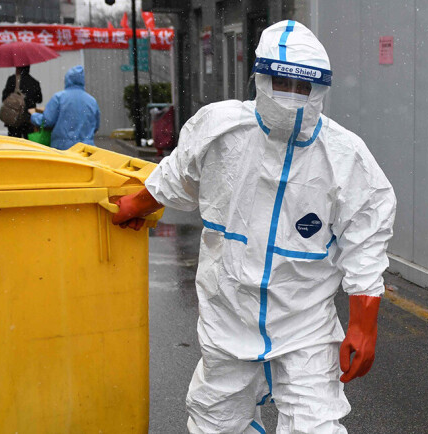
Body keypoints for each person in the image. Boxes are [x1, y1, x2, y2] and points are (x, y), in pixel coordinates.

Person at [113, 20, 396, 433]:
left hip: (305, 327)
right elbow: (175, 177)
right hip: (227, 316)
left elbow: (366, 238)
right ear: (259, 78)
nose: (291, 98)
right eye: (281, 82)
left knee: (314, 426)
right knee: (216, 423)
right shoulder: (221, 130)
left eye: (303, 88)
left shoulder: (345, 157)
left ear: (320, 89)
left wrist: (363, 322)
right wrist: (132, 206)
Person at [30, 65, 100, 150]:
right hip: (86, 149)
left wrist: (34, 116)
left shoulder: (58, 98)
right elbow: (96, 126)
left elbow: (47, 121)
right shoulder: (92, 101)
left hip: (63, 148)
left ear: (67, 80)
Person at [2, 65, 42, 138]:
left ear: (18, 68)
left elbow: (4, 98)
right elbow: (39, 100)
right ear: (29, 69)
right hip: (28, 119)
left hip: (14, 118)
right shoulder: (34, 82)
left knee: (14, 143)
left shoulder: (12, 80)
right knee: (27, 144)